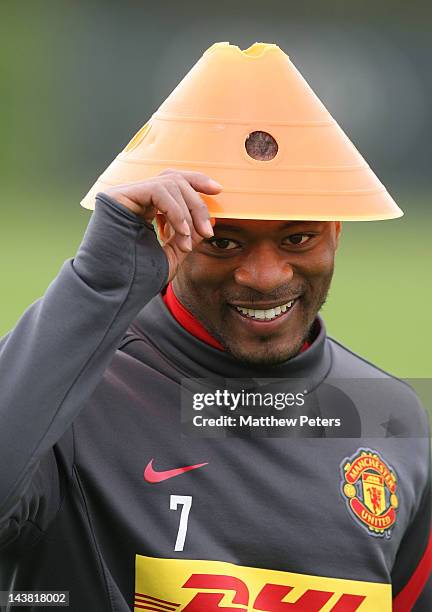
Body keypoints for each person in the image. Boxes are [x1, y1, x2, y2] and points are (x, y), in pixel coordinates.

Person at [0, 42, 430, 612]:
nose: (264, 275)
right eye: (222, 241)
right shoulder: (68, 400)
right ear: (167, 239)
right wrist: (97, 287)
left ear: (337, 231)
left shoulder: (393, 418)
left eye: (297, 237)